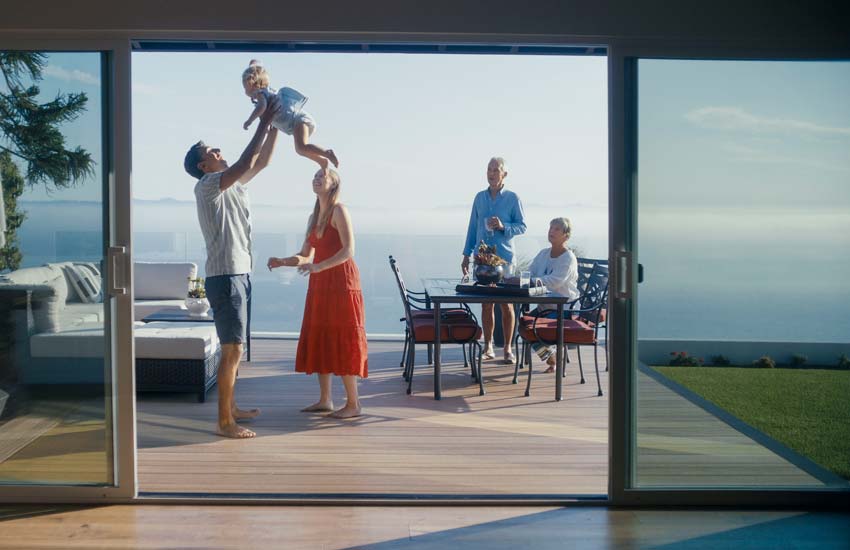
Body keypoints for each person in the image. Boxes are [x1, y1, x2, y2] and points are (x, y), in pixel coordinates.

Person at [183, 96, 281, 439]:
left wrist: (277, 123)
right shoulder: (207, 186)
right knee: (233, 349)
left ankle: (232, 408)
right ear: (203, 167)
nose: (217, 151)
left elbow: (262, 160)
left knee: (235, 349)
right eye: (211, 152)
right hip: (225, 277)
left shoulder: (231, 184)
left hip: (239, 274)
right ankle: (224, 422)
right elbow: (246, 159)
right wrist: (263, 120)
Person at [267, 162, 368, 419]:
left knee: (343, 336)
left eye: (322, 175)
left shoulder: (339, 210)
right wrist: (283, 262)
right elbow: (305, 255)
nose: (317, 178)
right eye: (314, 175)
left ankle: (354, 404)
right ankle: (326, 400)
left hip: (341, 282)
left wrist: (319, 267)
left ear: (334, 183)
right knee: (321, 334)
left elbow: (348, 250)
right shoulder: (314, 218)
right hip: (321, 282)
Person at [461, 157, 527, 364]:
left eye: (495, 170)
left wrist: (503, 226)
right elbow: (473, 227)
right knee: (486, 304)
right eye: (489, 169)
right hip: (482, 258)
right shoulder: (479, 198)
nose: (491, 173)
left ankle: (508, 348)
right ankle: (488, 346)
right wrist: (465, 254)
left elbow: (522, 226)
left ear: (504, 174)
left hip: (504, 259)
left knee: (506, 305)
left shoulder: (513, 198)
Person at [241, 59, 339, 169]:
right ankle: (322, 161)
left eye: (245, 88)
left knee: (302, 147)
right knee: (300, 149)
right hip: (295, 123)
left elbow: (261, 107)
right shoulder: (267, 93)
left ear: (254, 85)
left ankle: (327, 153)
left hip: (298, 120)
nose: (245, 92)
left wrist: (250, 120)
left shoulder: (261, 94)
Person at [527, 217, 579, 373]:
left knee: (534, 329)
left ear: (566, 235)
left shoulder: (568, 258)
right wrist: (518, 280)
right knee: (524, 325)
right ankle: (551, 356)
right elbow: (530, 272)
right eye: (550, 227)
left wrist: (531, 281)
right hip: (545, 306)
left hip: (563, 308)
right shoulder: (543, 253)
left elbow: (555, 281)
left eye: (556, 229)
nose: (551, 231)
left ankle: (552, 358)